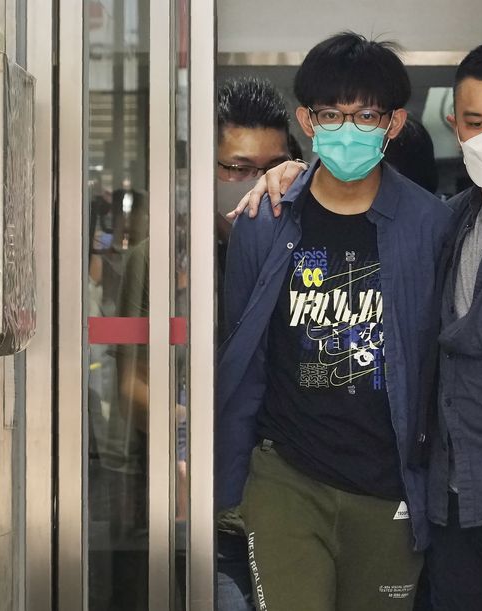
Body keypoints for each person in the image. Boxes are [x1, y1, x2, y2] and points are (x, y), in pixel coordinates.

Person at [232, 41, 482, 611]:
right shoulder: (454, 221)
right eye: (477, 122)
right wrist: (290, 175)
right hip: (453, 512)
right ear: (456, 128)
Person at [215, 32, 451, 611]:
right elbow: (241, 355)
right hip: (288, 479)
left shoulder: (431, 227)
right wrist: (227, 486)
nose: (348, 129)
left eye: (366, 115)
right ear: (307, 119)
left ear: (394, 123)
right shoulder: (265, 222)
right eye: (330, 114)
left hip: (389, 486)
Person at [215, 76, 294, 611]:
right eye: (238, 168)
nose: (256, 183)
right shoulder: (169, 256)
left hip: (286, 499)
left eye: (272, 167)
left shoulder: (304, 242)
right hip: (200, 497)